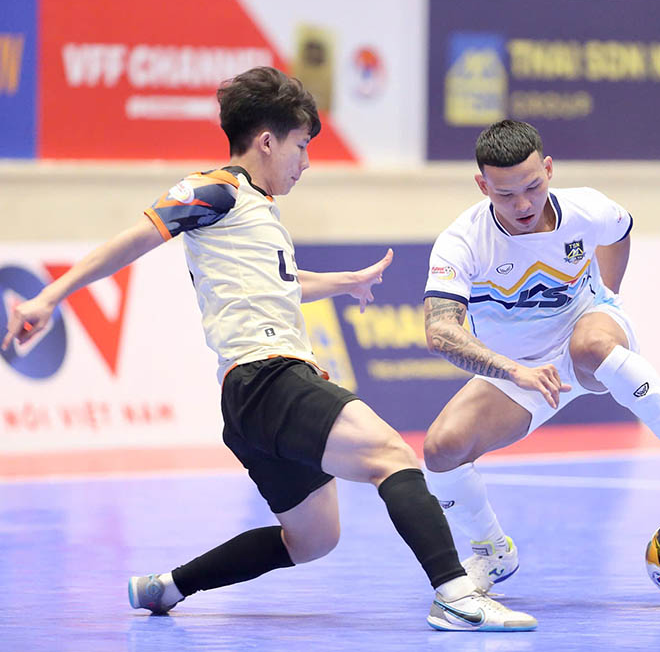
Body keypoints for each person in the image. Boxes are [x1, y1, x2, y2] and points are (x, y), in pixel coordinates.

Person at [1, 68, 535, 632]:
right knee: (393, 456)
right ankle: (455, 594)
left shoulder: (254, 209)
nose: (305, 162)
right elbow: (134, 238)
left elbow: (277, 281)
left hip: (250, 402)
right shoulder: (216, 189)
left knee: (313, 538)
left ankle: (168, 587)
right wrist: (49, 296)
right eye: (301, 146)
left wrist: (344, 281)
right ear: (266, 141)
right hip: (267, 377)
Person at [421, 119, 660, 591]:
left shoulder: (586, 209)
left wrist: (609, 298)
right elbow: (440, 331)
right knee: (441, 451)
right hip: (522, 371)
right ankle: (492, 550)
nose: (522, 204)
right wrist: (515, 371)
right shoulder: (463, 242)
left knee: (591, 344)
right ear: (482, 185)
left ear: (549, 168)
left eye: (532, 186)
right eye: (505, 194)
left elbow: (620, 231)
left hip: (587, 334)